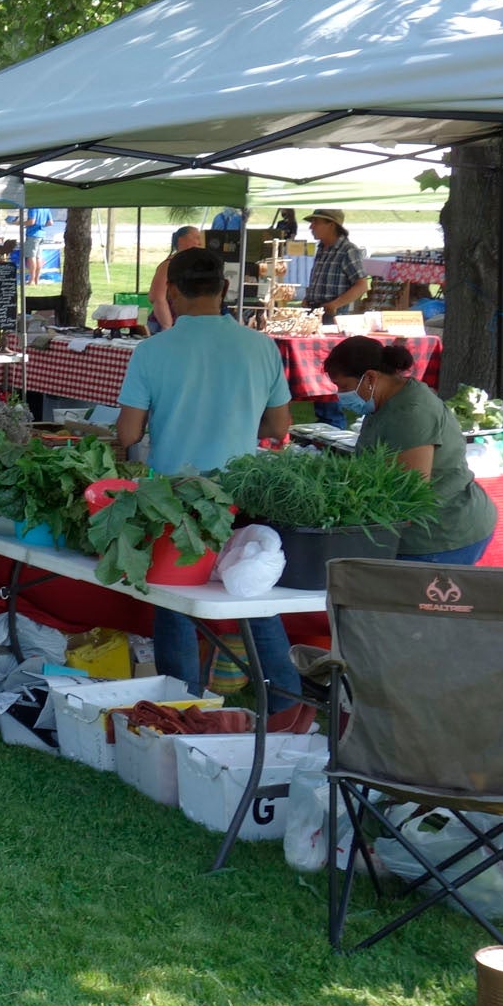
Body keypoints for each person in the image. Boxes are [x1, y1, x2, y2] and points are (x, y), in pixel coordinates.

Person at [113, 247, 310, 731]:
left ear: (172, 294)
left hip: (174, 494)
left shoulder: (153, 350)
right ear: (224, 290)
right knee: (249, 592)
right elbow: (281, 426)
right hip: (241, 489)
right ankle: (287, 700)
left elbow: (128, 435)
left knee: (172, 599)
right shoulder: (260, 347)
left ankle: (180, 704)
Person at [323, 337, 496, 564]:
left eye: (343, 387)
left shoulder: (412, 412)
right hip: (422, 530)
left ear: (371, 378)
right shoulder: (385, 401)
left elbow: (409, 492)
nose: (340, 395)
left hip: (441, 534)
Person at [301, 207, 369, 426]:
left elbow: (361, 285)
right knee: (314, 372)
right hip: (314, 313)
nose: (311, 226)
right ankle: (324, 423)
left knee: (328, 373)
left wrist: (335, 304)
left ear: (331, 225)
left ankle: (332, 424)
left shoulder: (347, 250)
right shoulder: (322, 248)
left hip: (332, 318)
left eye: (316, 222)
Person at [147, 225, 204, 332]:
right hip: (165, 326)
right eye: (195, 237)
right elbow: (156, 297)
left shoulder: (191, 265)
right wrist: (167, 326)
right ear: (181, 240)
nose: (199, 242)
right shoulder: (168, 265)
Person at [21, 207, 54, 284]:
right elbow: (50, 222)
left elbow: (31, 222)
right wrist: (40, 225)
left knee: (31, 256)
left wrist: (20, 223)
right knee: (38, 257)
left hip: (32, 235)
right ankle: (36, 280)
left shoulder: (33, 208)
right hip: (42, 235)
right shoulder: (46, 208)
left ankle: (31, 280)